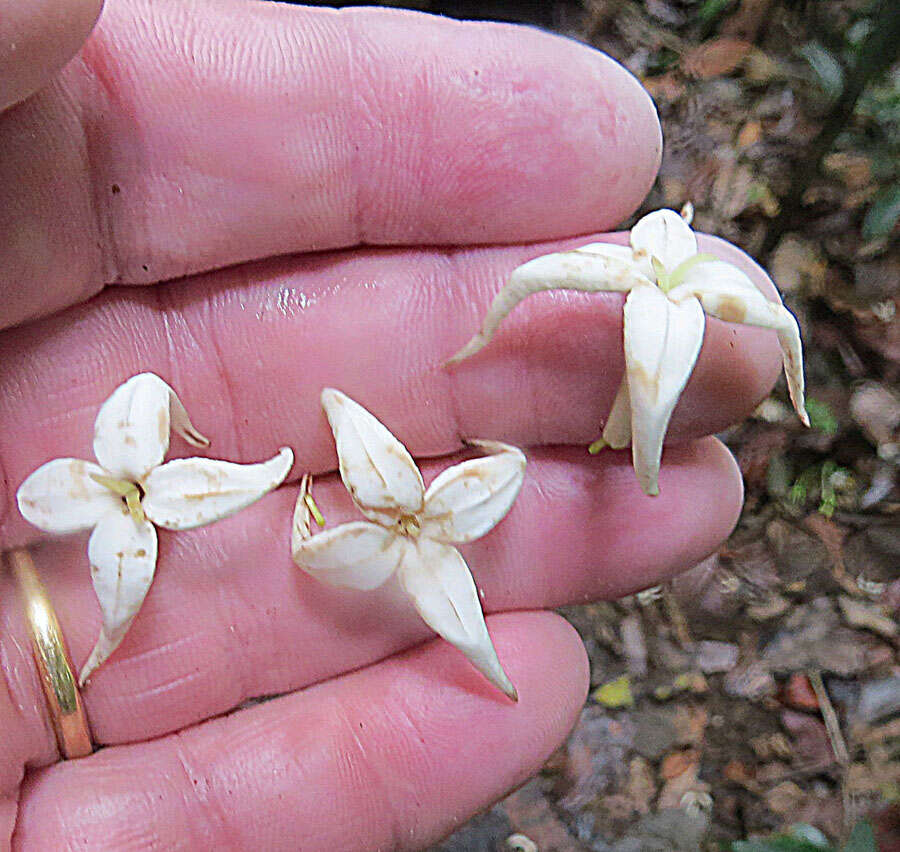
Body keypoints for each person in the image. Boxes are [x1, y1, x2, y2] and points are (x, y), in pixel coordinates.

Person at [0, 1, 785, 848]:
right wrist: (273, 473)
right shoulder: (117, 467)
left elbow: (497, 476)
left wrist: (288, 467)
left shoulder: (165, 457)